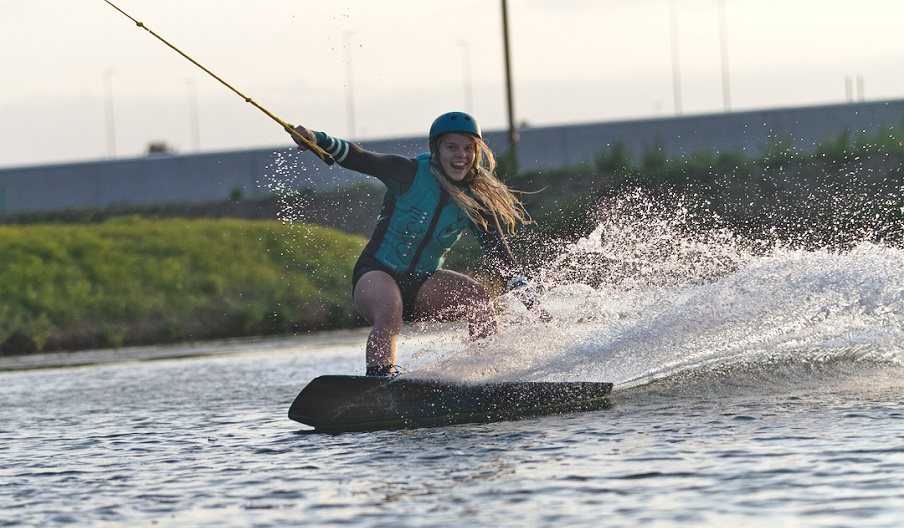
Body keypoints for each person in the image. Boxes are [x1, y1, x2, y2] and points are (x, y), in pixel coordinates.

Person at [291, 111, 536, 377]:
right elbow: (359, 157)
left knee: (478, 299)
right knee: (389, 309)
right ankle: (380, 381)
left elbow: (500, 255)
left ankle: (488, 378)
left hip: (423, 283)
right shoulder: (407, 172)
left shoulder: (475, 200)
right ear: (436, 150)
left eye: (468, 149)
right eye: (451, 147)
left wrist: (530, 301)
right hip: (376, 274)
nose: (461, 156)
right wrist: (316, 138)